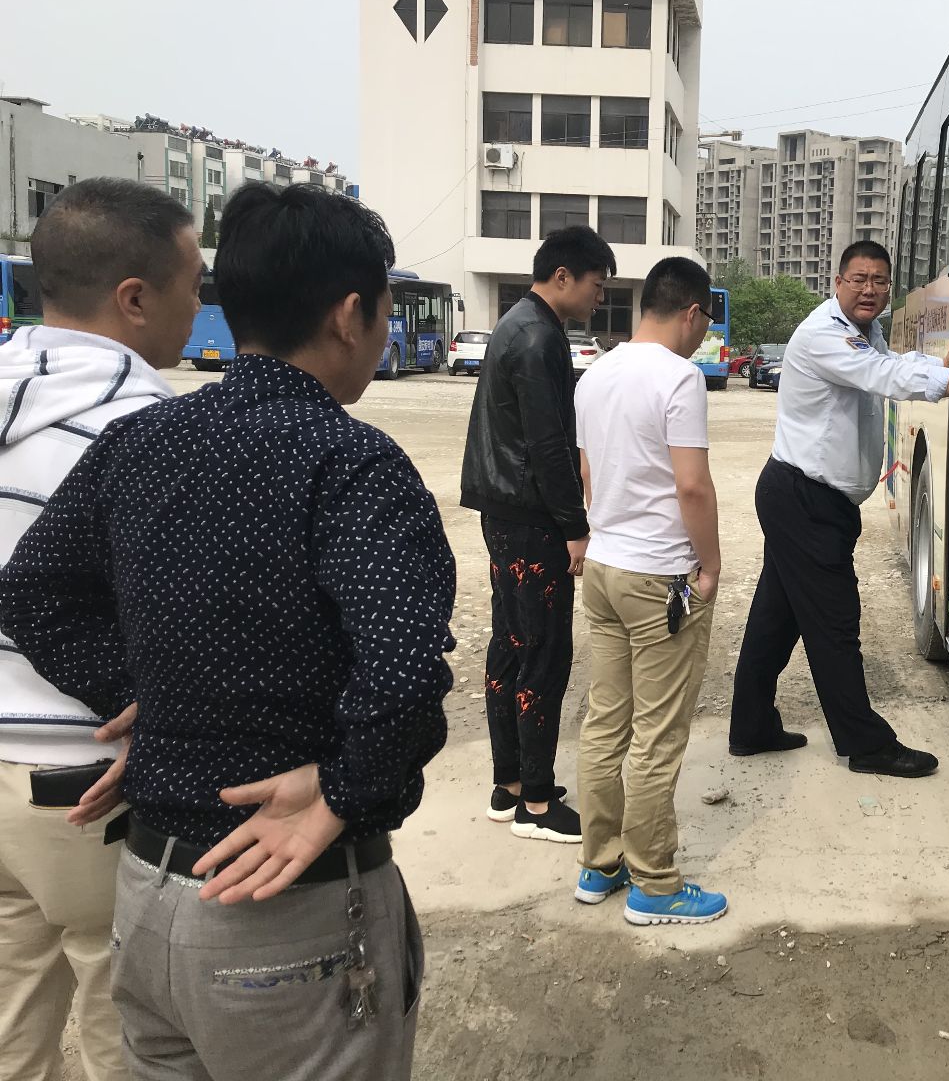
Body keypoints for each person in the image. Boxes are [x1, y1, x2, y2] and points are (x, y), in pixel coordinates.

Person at [0, 182, 453, 1081]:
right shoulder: (352, 461)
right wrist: (343, 792)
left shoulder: (140, 441)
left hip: (148, 897)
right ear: (350, 315)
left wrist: (140, 693)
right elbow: (403, 671)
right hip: (285, 912)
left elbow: (32, 592)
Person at [0, 178, 200, 1081]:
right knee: (129, 1026)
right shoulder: (149, 433)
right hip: (83, 784)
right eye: (192, 286)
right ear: (135, 298)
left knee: (13, 1023)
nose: (199, 310)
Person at [729, 240, 949, 779]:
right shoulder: (824, 334)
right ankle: (866, 744)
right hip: (805, 500)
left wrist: (939, 365)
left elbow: (889, 363)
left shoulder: (861, 331)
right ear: (837, 282)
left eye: (879, 281)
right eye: (858, 279)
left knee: (775, 620)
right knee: (835, 625)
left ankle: (751, 725)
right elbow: (883, 377)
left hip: (803, 497)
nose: (869, 289)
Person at [572, 256, 728, 925]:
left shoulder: (595, 373)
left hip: (605, 569)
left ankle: (599, 864)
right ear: (691, 313)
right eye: (705, 323)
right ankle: (656, 884)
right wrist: (710, 565)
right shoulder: (679, 377)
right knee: (657, 735)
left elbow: (587, 473)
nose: (702, 336)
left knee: (605, 721)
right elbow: (692, 485)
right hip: (660, 576)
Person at [460, 226, 612, 843]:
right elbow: (549, 445)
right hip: (531, 517)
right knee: (543, 653)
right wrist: (575, 527)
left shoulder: (517, 324)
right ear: (562, 276)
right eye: (596, 284)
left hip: (503, 510)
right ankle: (538, 804)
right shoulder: (538, 337)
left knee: (511, 643)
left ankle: (512, 784)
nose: (600, 297)